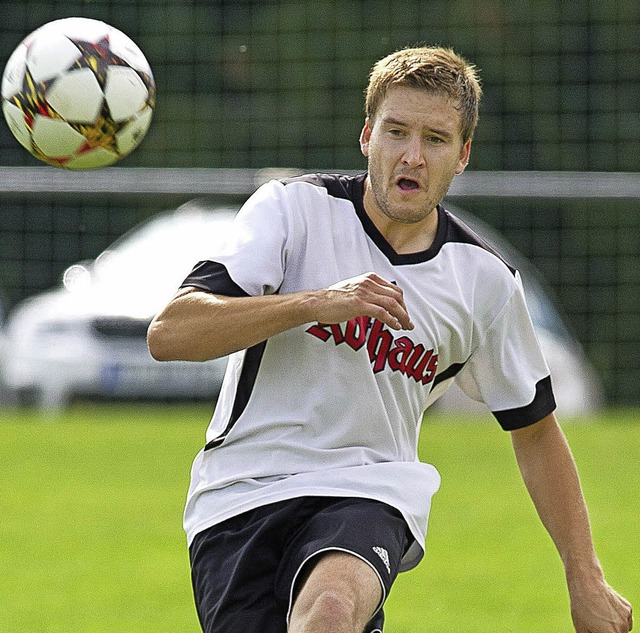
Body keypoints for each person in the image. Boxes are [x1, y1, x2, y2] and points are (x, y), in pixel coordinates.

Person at [147, 46, 633, 633]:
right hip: (240, 496)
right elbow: (172, 333)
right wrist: (317, 303)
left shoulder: (482, 281)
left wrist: (585, 578)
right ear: (366, 137)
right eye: (396, 132)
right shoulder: (293, 210)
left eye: (435, 139)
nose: (412, 155)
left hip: (370, 489)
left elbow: (536, 432)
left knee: (328, 610)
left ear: (463, 156)